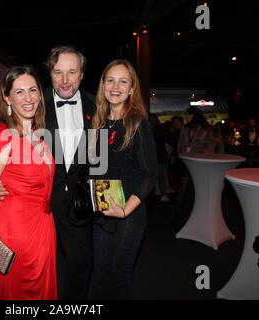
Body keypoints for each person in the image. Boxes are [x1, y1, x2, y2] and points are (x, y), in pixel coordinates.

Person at [0, 45, 96, 299]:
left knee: (82, 262)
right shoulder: (34, 102)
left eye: (71, 72)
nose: (64, 80)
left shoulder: (96, 106)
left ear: (82, 74)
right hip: (38, 203)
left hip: (77, 200)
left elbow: (103, 154)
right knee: (33, 269)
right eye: (58, 72)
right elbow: (7, 140)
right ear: (49, 73)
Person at [0, 66, 57, 300]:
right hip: (16, 231)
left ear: (40, 95)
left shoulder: (39, 134)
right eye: (19, 92)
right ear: (7, 97)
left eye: (32, 90)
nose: (28, 97)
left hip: (44, 227)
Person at [88, 59, 158, 299]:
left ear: (131, 89)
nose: (115, 86)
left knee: (117, 279)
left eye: (123, 81)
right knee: (99, 276)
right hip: (102, 212)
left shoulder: (138, 123)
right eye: (110, 80)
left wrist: (126, 210)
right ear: (103, 85)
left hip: (128, 215)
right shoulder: (97, 123)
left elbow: (151, 174)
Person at [175, 106, 215, 223]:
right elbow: (179, 144)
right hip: (186, 162)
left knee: (197, 190)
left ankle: (197, 216)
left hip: (199, 163)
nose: (185, 117)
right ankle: (177, 214)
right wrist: (182, 154)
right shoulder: (185, 129)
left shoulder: (205, 129)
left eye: (187, 115)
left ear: (192, 115)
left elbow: (211, 145)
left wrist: (202, 153)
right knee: (182, 188)